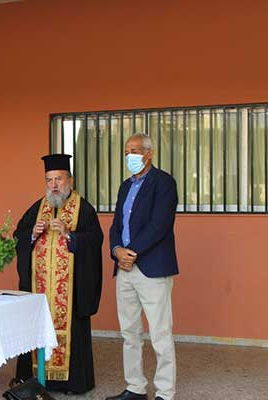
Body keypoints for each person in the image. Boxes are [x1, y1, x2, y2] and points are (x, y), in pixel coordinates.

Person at [14, 154, 103, 394]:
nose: (54, 185)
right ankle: (34, 380)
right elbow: (18, 236)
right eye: (49, 180)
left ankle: (71, 382)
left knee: (71, 331)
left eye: (59, 179)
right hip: (39, 290)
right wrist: (32, 234)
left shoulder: (84, 209)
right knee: (36, 327)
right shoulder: (37, 208)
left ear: (70, 181)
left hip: (70, 292)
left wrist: (69, 234)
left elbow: (95, 241)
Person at [106, 133, 178, 400]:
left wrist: (131, 252)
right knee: (130, 333)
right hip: (125, 269)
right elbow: (116, 225)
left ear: (149, 153)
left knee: (160, 333)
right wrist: (117, 250)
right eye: (126, 152)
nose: (129, 156)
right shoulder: (125, 186)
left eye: (134, 151)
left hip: (152, 269)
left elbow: (160, 224)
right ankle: (135, 388)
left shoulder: (164, 183)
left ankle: (165, 393)